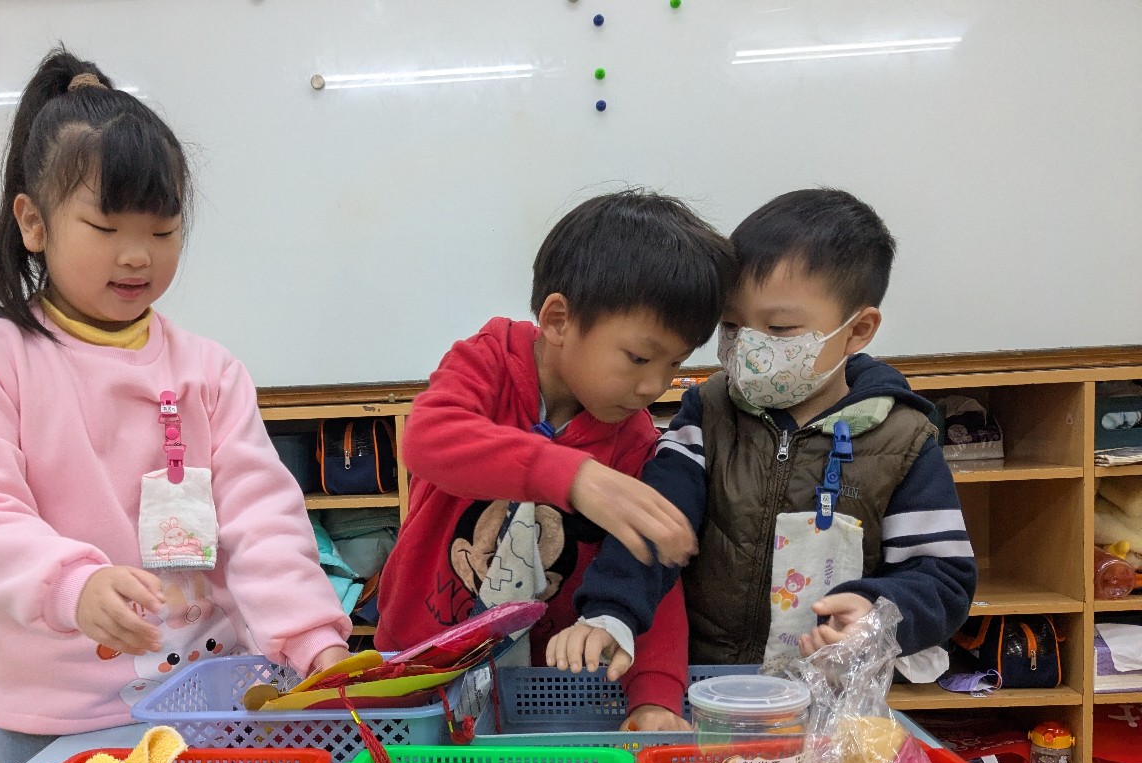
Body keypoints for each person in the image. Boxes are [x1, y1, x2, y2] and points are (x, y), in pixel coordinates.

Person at [0, 49, 351, 763]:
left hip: (210, 707)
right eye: (106, 227)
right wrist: (70, 584)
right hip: (61, 720)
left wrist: (312, 639)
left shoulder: (210, 372)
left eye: (162, 231)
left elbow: (262, 521)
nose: (137, 257)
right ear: (33, 222)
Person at [548, 187, 976, 680]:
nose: (750, 347)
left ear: (857, 330)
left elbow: (942, 578)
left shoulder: (902, 439)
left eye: (780, 329)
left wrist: (875, 612)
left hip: (825, 693)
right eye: (732, 326)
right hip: (706, 685)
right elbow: (653, 522)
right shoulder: (706, 416)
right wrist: (612, 610)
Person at [373, 189, 736, 730]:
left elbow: (648, 570)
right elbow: (428, 438)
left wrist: (655, 696)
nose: (654, 386)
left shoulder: (634, 438)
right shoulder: (490, 359)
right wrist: (573, 477)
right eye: (639, 357)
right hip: (420, 666)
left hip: (541, 691)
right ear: (559, 319)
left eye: (675, 364)